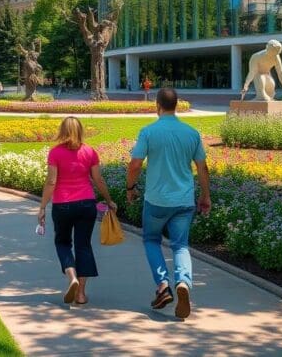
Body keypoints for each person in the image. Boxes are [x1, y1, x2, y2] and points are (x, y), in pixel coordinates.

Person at [126, 87, 211, 319]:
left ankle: (163, 285)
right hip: (184, 200)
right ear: (176, 105)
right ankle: (183, 282)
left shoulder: (149, 132)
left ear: (157, 106)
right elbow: (202, 167)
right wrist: (205, 196)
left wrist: (130, 188)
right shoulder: (191, 133)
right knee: (180, 246)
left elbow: (135, 165)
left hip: (156, 200)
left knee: (151, 240)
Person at [37, 117, 117, 305]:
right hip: (86, 204)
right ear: (80, 130)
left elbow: (51, 182)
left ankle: (71, 276)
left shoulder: (55, 153)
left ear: (62, 130)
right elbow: (98, 180)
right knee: (83, 246)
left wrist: (41, 207)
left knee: (62, 242)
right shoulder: (89, 151)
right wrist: (109, 200)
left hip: (63, 205)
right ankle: (81, 294)